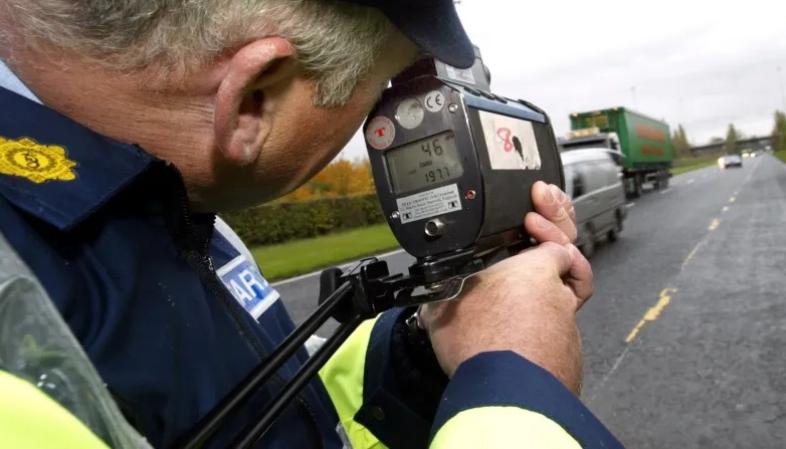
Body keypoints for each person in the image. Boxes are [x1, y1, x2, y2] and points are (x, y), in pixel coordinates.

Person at [0, 0, 624, 448]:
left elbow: (263, 407)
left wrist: (421, 350)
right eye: (375, 91)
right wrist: (518, 391)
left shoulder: (161, 204)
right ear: (252, 100)